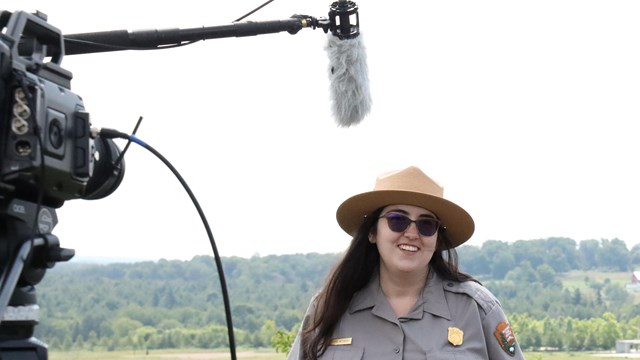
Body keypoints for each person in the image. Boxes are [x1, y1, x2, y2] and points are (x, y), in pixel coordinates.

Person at [287, 166, 524, 360]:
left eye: (426, 224)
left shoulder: (476, 309)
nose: (412, 233)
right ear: (372, 232)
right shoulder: (329, 306)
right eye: (397, 220)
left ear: (437, 238)